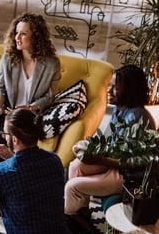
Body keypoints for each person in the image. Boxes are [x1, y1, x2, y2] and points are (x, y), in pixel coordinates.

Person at [64, 64, 151, 217]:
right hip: (114, 164)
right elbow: (111, 144)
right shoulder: (119, 109)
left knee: (72, 187)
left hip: (128, 175)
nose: (109, 91)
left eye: (115, 87)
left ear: (130, 89)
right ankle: (82, 215)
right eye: (110, 85)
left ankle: (69, 222)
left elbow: (129, 162)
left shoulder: (137, 118)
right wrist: (92, 145)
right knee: (75, 167)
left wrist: (97, 158)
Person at [0, 12, 61, 161]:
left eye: (23, 34)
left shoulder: (52, 64)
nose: (17, 38)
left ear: (35, 37)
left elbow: (49, 97)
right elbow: (0, 88)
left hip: (31, 116)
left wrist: (29, 108)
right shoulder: (7, 59)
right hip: (10, 114)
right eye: (16, 33)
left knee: (15, 147)